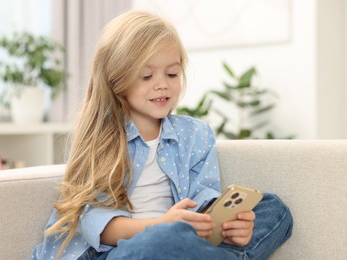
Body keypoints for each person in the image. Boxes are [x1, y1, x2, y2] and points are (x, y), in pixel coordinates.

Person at [30, 10, 293, 260]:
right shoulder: (100, 137)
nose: (162, 84)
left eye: (172, 73)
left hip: (183, 242)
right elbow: (96, 224)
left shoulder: (195, 134)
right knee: (160, 241)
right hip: (116, 251)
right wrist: (160, 225)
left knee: (274, 209)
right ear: (117, 80)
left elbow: (204, 204)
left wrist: (230, 228)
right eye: (146, 76)